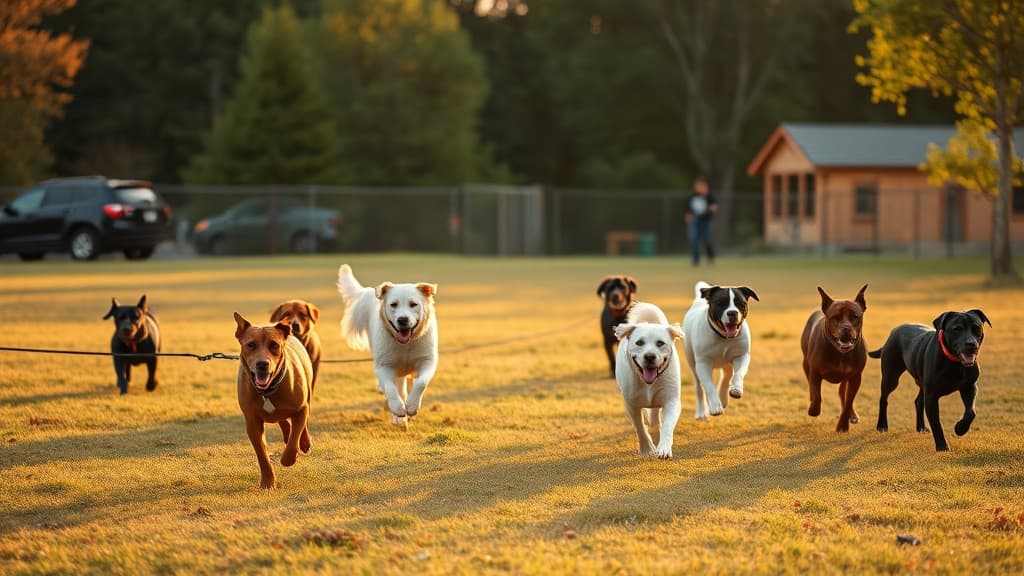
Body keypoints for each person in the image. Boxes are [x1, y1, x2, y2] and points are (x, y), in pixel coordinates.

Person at [685, 176, 717, 266]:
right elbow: (687, 210)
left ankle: (710, 259)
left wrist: (711, 209)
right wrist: (688, 217)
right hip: (694, 222)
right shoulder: (692, 196)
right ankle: (695, 261)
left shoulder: (709, 196)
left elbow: (714, 208)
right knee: (693, 240)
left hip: (705, 222)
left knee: (707, 240)